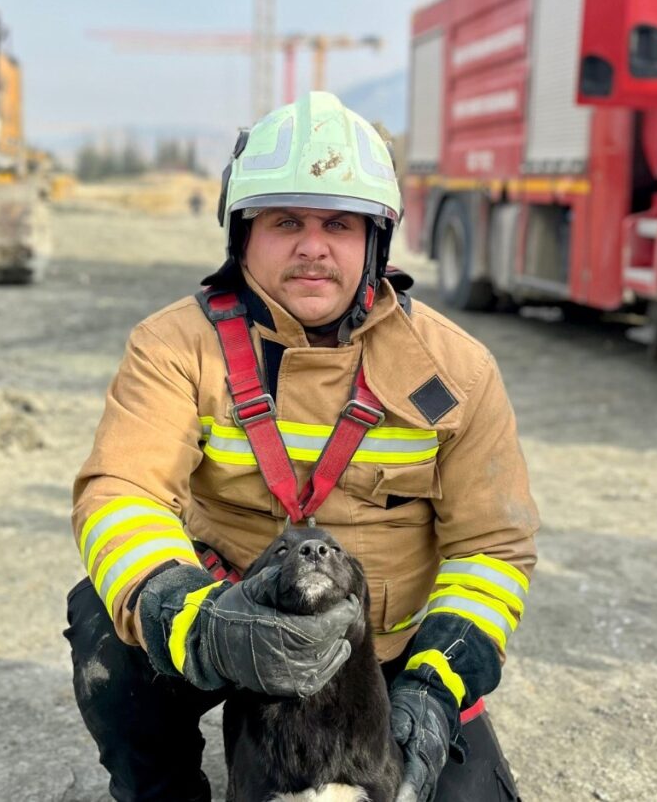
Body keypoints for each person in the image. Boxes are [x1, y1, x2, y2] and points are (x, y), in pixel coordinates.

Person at [64, 91, 539, 802]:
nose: (312, 246)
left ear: (375, 242)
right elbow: (122, 494)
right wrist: (200, 623)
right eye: (286, 221)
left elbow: (493, 552)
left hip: (389, 661)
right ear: (242, 235)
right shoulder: (173, 348)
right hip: (227, 632)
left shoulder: (457, 371)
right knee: (106, 624)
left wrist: (435, 689)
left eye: (339, 225)